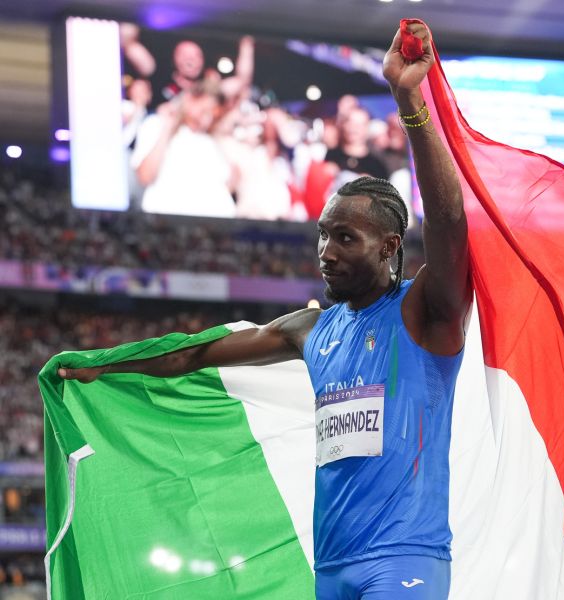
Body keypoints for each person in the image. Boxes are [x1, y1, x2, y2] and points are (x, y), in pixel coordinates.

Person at [60, 22, 471, 600]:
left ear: (389, 247)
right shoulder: (312, 329)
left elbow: (452, 225)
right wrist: (108, 365)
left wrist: (410, 103)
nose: (325, 253)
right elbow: (196, 355)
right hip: (330, 569)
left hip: (405, 560)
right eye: (322, 236)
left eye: (345, 238)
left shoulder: (426, 315)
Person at [131, 80, 237, 218]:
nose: (207, 120)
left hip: (214, 225)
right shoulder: (156, 125)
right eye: (204, 111)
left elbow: (229, 180)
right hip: (168, 221)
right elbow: (145, 176)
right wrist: (169, 127)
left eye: (213, 115)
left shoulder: (211, 142)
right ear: (190, 99)